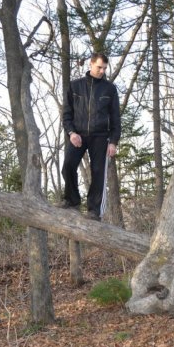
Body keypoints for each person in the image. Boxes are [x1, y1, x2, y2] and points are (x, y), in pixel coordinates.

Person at [61, 53, 121, 221]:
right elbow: (66, 114)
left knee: (97, 172)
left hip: (101, 137)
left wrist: (114, 142)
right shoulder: (75, 86)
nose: (102, 71)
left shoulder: (109, 89)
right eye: (99, 67)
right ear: (91, 64)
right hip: (78, 135)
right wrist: (71, 133)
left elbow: (116, 117)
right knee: (68, 166)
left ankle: (94, 210)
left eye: (104, 68)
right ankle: (72, 201)